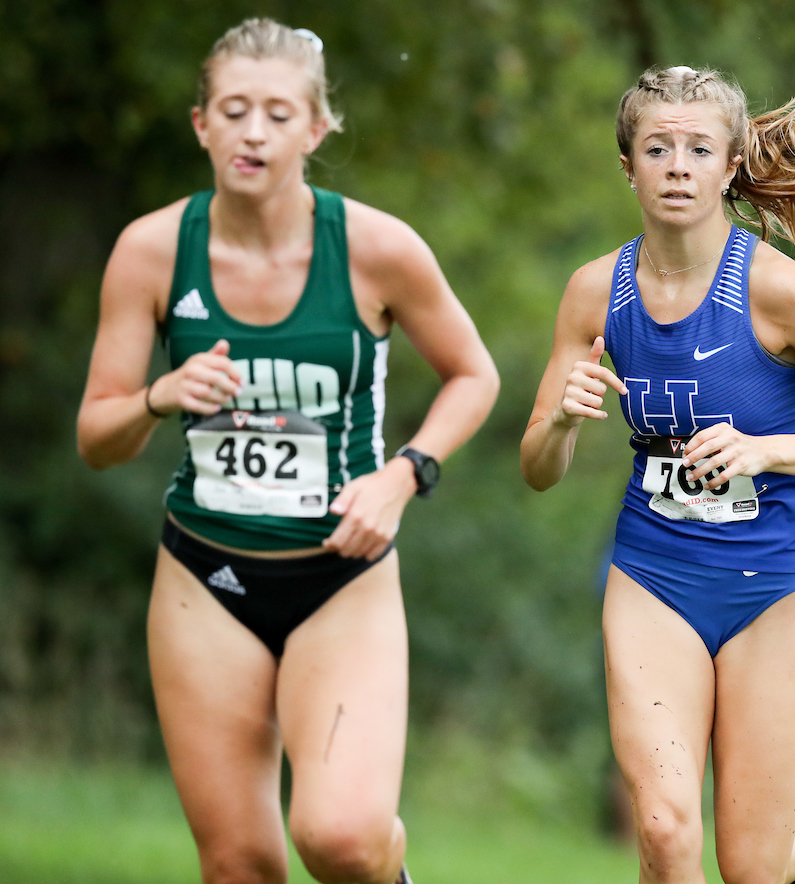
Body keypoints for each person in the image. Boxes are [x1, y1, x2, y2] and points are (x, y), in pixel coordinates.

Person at [76, 19, 498, 884]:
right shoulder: (153, 250)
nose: (254, 133)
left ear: (316, 128)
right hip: (205, 576)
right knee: (239, 866)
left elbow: (473, 375)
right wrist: (159, 396)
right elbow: (97, 437)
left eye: (277, 113)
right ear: (202, 125)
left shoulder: (376, 247)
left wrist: (402, 474)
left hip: (339, 574)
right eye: (234, 111)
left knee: (342, 838)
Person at [521, 66, 795, 884]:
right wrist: (561, 418)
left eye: (699, 149)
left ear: (730, 165)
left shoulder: (777, 290)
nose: (676, 166)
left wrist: (768, 449)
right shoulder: (595, 292)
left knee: (751, 865)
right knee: (664, 835)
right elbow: (539, 470)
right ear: (626, 165)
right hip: (654, 574)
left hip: (776, 587)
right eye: (657, 148)